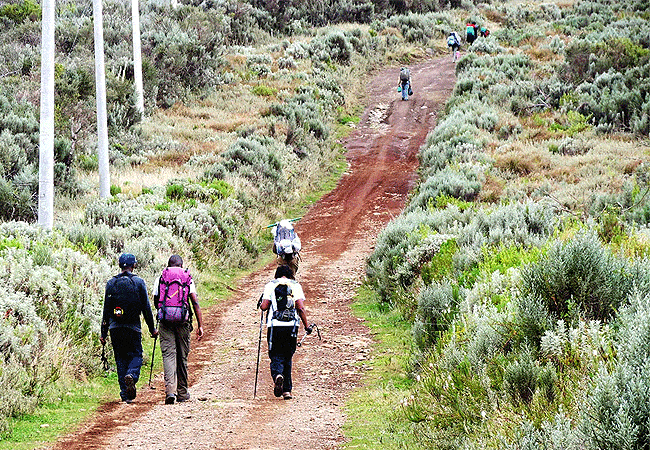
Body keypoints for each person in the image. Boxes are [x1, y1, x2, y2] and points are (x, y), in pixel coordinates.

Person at [100, 253, 158, 404]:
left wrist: (103, 333)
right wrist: (152, 329)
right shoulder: (138, 282)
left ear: (120, 265)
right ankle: (132, 375)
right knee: (136, 355)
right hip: (133, 327)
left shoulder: (111, 283)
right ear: (134, 265)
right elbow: (146, 308)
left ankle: (125, 394)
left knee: (120, 358)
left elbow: (106, 309)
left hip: (115, 327)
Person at [153, 255, 204, 404]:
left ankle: (170, 391)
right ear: (181, 265)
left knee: (168, 355)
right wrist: (200, 325)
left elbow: (157, 301)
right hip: (183, 320)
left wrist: (165, 311)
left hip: (165, 321)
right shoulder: (187, 277)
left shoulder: (161, 278)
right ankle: (182, 392)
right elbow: (194, 301)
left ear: (168, 265)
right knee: (182, 355)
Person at [259, 265, 311, 400]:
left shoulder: (271, 285)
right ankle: (287, 391)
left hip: (274, 326)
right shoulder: (296, 286)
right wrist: (307, 326)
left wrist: (261, 303)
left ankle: (277, 375)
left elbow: (264, 306)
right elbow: (300, 307)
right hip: (291, 326)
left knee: (275, 354)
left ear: (277, 274)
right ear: (290, 275)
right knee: (288, 356)